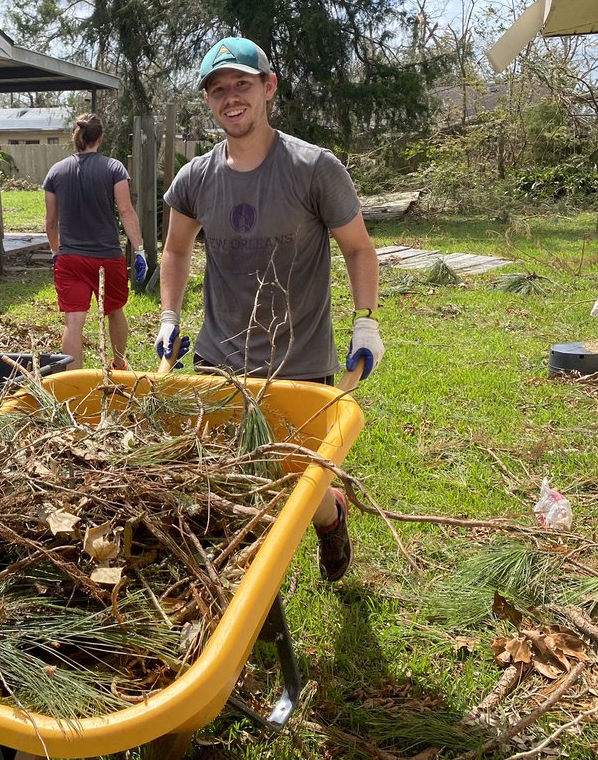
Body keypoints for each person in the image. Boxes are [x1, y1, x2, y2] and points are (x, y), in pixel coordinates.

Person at [155, 37, 384, 582]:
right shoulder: (195, 177)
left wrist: (366, 322)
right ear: (208, 102)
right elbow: (176, 249)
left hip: (298, 359)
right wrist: (169, 317)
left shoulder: (313, 168)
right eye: (217, 91)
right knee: (232, 480)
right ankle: (240, 591)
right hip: (219, 357)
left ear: (268, 88)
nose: (230, 99)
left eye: (242, 85)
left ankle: (330, 519)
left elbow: (358, 247)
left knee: (298, 480)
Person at [44, 112, 147, 371]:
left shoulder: (56, 172)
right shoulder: (114, 168)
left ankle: (74, 381)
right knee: (114, 311)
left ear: (75, 137)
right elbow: (126, 211)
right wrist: (140, 249)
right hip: (107, 258)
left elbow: (50, 222)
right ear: (100, 138)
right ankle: (119, 365)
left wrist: (56, 252)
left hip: (70, 259)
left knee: (73, 322)